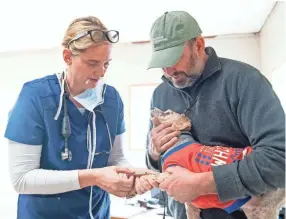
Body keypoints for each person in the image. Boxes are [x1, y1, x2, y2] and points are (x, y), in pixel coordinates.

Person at [136, 11, 285, 219]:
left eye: (174, 58)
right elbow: (156, 162)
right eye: (162, 61)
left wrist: (200, 184)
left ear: (198, 44)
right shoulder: (160, 94)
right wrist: (153, 154)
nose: (169, 71)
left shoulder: (244, 81)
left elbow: (279, 161)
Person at [4, 16, 138, 219]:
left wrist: (131, 176)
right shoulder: (36, 97)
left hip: (97, 213)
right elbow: (22, 179)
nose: (101, 72)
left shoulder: (111, 100)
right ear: (67, 57)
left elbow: (115, 158)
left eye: (106, 64)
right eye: (92, 63)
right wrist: (95, 176)